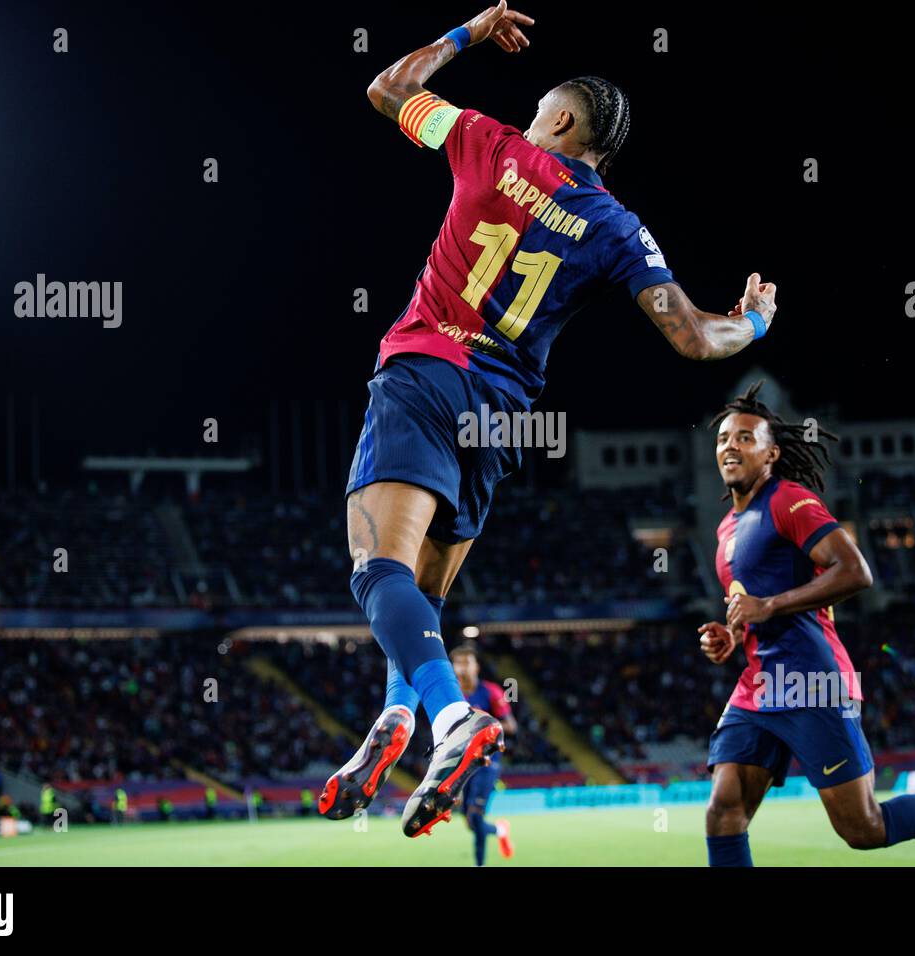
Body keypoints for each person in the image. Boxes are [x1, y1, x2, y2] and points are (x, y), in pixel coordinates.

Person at [321, 1, 777, 840]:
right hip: (498, 415)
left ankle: (450, 719)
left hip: (425, 370)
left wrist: (468, 32)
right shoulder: (616, 226)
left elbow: (388, 87)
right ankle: (396, 716)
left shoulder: (491, 144)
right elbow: (692, 336)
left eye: (541, 110)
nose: (531, 116)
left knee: (373, 565)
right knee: (422, 590)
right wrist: (752, 324)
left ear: (560, 121)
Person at [698, 382, 915, 866]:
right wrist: (731, 635)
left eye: (744, 438)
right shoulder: (726, 529)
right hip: (757, 686)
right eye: (722, 439)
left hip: (810, 682)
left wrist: (771, 606)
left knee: (864, 829)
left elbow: (855, 571)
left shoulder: (789, 501)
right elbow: (749, 602)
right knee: (723, 811)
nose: (730, 446)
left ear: (771, 453)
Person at [451, 645, 516, 865]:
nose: (463, 668)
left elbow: (511, 726)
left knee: (475, 816)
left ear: (476, 666)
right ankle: (499, 831)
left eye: (467, 662)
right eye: (458, 663)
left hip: (487, 763)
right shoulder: (450, 695)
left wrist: (483, 724)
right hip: (462, 765)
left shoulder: (491, 691)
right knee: (469, 822)